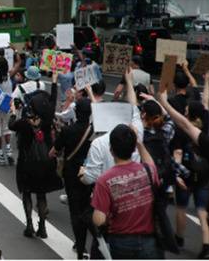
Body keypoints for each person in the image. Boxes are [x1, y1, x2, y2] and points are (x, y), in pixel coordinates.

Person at [158, 71, 209, 259]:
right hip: (206, 174)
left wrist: (165, 102)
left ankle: (180, 238)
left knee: (182, 207)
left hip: (186, 173)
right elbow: (206, 100)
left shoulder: (185, 132)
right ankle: (206, 244)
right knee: (201, 209)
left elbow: (182, 130)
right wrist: (206, 80)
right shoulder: (206, 126)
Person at [91, 124, 162, 259]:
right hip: (149, 241)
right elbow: (151, 163)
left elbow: (99, 220)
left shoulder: (105, 180)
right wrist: (140, 144)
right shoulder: (148, 171)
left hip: (120, 242)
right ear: (134, 148)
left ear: (111, 150)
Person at [9, 71, 61, 239]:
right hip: (45, 161)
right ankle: (43, 227)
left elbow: (11, 125)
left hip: (27, 162)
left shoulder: (24, 123)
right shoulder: (47, 120)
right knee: (41, 194)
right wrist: (54, 81)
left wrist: (13, 111)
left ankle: (29, 225)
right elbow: (53, 100)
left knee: (26, 192)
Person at [51, 98, 93, 259]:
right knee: (86, 205)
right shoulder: (94, 132)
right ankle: (90, 239)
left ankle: (80, 246)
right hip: (89, 172)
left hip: (71, 172)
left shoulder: (68, 130)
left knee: (75, 209)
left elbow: (56, 150)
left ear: (75, 112)